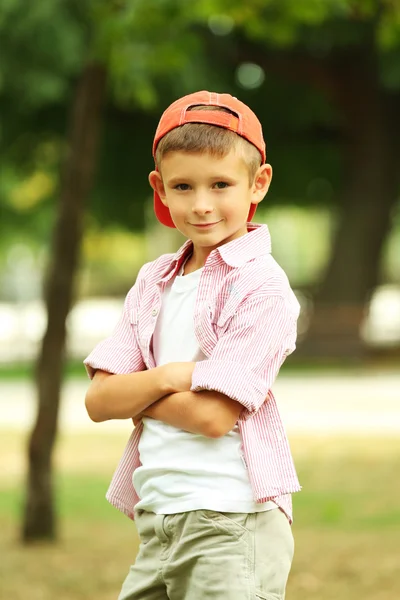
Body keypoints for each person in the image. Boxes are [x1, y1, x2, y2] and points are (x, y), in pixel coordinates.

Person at [84, 90, 301, 600]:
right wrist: (168, 376)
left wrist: (135, 394)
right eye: (183, 186)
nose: (202, 205)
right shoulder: (154, 280)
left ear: (258, 183)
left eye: (221, 184)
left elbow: (212, 418)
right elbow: (98, 402)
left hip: (231, 522)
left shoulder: (262, 288)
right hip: (158, 519)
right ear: (160, 188)